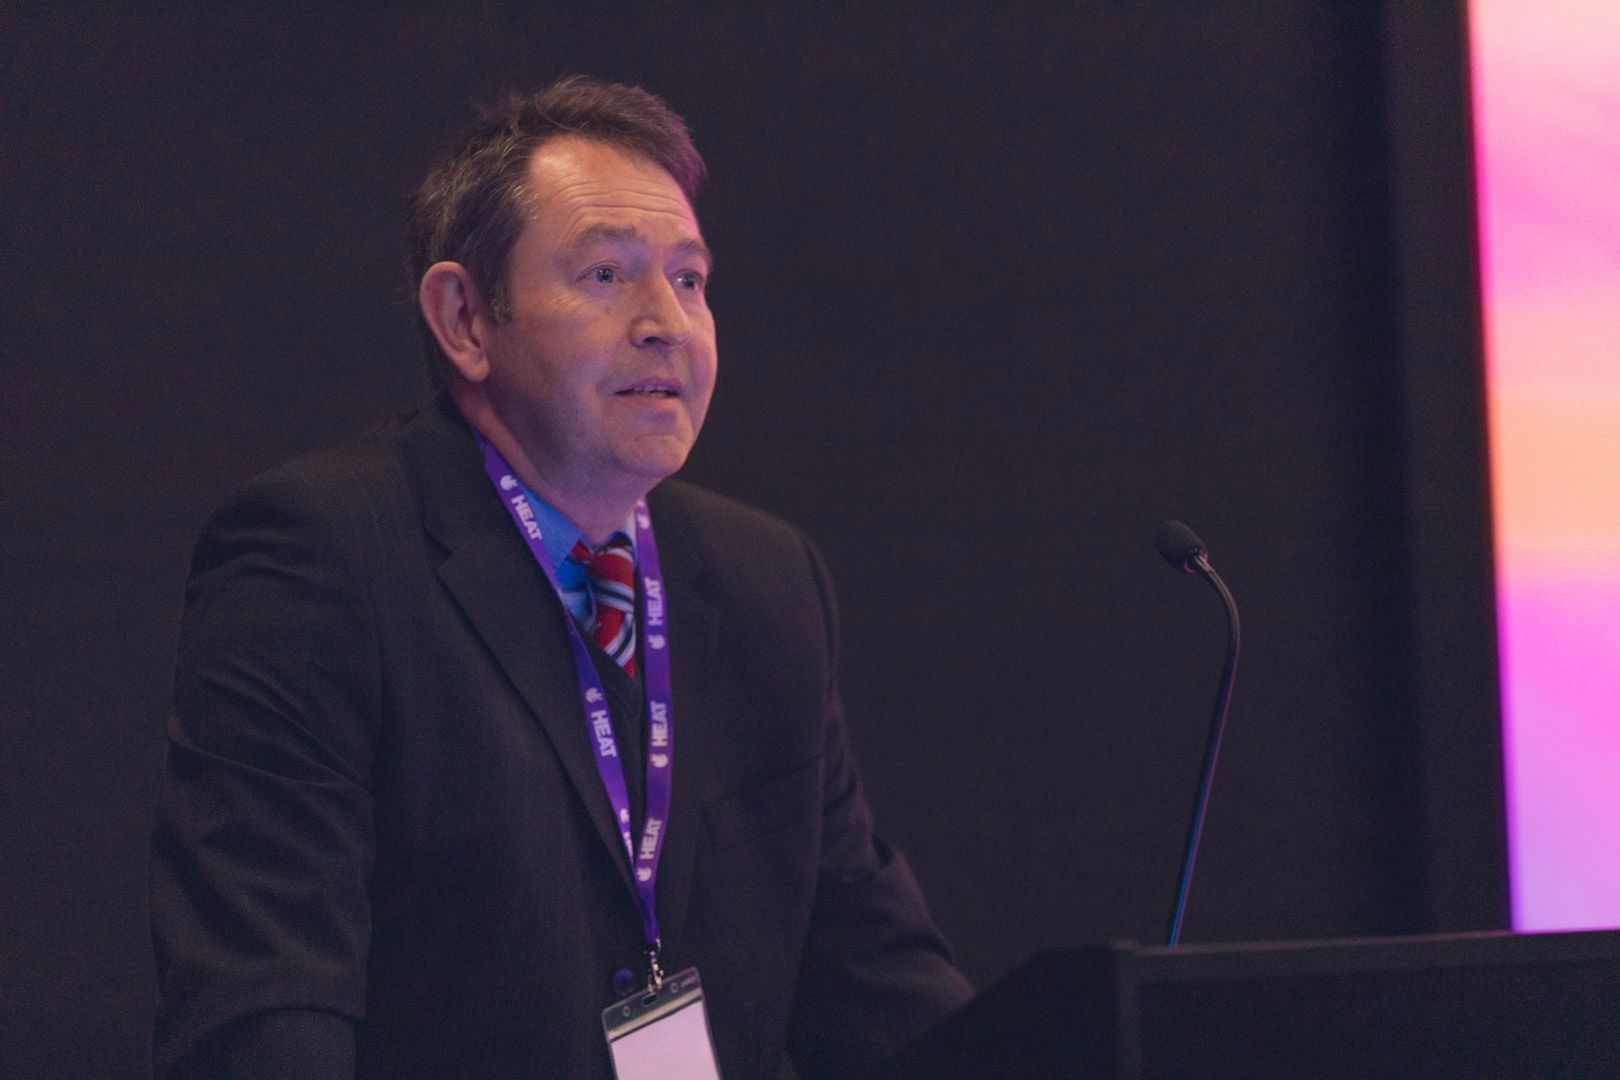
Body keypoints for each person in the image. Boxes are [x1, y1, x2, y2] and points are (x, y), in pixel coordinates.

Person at [150, 76, 973, 1079]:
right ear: (464, 319)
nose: (666, 322)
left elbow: (883, 989)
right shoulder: (323, 561)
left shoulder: (765, 582)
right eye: (605, 274)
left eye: (689, 280)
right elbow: (266, 1010)